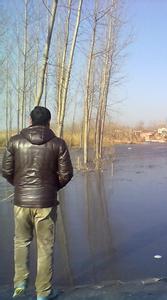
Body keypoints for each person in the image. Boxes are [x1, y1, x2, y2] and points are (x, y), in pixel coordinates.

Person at [2, 106, 73, 300]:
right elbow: (67, 174)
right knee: (45, 247)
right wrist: (50, 188)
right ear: (49, 122)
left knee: (21, 242)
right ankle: (43, 293)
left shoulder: (15, 141)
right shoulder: (58, 143)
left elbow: (6, 171)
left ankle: (20, 284)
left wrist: (21, 187)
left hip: (21, 202)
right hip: (46, 203)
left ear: (30, 121)